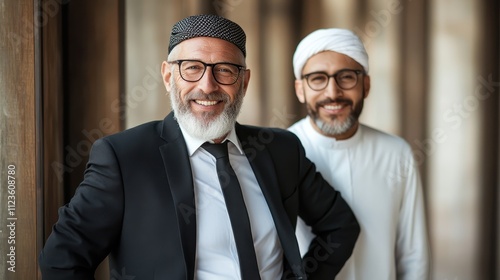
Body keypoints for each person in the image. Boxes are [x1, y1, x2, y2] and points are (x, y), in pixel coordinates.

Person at [39, 15, 360, 280]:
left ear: (244, 82)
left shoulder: (281, 149)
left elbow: (340, 226)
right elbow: (62, 259)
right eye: (191, 68)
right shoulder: (124, 157)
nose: (208, 85)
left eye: (225, 70)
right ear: (168, 76)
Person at [289, 28, 430, 280]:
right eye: (318, 79)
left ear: (366, 85)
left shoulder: (396, 153)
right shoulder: (281, 153)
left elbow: (413, 254)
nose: (332, 93)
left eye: (346, 77)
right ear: (300, 89)